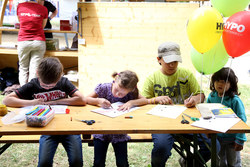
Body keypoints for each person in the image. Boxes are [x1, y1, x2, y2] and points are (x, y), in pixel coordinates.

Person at [141, 41, 219, 167]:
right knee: (161, 149)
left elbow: (201, 95)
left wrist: (195, 99)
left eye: (175, 61)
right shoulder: (152, 78)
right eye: (168, 61)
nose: (172, 65)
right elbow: (143, 102)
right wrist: (156, 99)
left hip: (187, 121)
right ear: (159, 59)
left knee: (213, 146)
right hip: (162, 123)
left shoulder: (186, 74)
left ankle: (189, 163)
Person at [3, 57, 86, 167]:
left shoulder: (63, 82)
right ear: (38, 74)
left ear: (60, 75)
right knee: (44, 163)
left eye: (51, 86)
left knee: (77, 162)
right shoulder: (33, 84)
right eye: (44, 85)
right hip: (47, 129)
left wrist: (57, 102)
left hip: (68, 127)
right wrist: (32, 103)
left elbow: (82, 100)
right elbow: (7, 100)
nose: (47, 88)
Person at [86, 70, 148, 167]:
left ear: (130, 91)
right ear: (115, 80)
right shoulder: (104, 88)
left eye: (122, 94)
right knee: (98, 163)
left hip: (120, 132)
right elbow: (85, 99)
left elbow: (144, 100)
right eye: (116, 90)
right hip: (101, 131)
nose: (118, 94)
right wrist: (98, 100)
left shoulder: (132, 93)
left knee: (122, 163)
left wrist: (131, 102)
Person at [207, 67, 247, 167]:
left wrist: (240, 139)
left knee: (233, 163)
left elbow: (242, 120)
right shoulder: (211, 97)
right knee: (220, 162)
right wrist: (207, 131)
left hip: (232, 139)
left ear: (231, 84)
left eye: (224, 81)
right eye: (217, 81)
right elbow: (206, 115)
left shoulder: (234, 100)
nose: (220, 84)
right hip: (217, 138)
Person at [17, 0, 48, 86]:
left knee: (23, 68)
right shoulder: (43, 9)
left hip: (23, 41)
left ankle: (23, 92)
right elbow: (43, 26)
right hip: (39, 41)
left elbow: (20, 22)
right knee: (34, 69)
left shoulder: (20, 6)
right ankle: (31, 91)